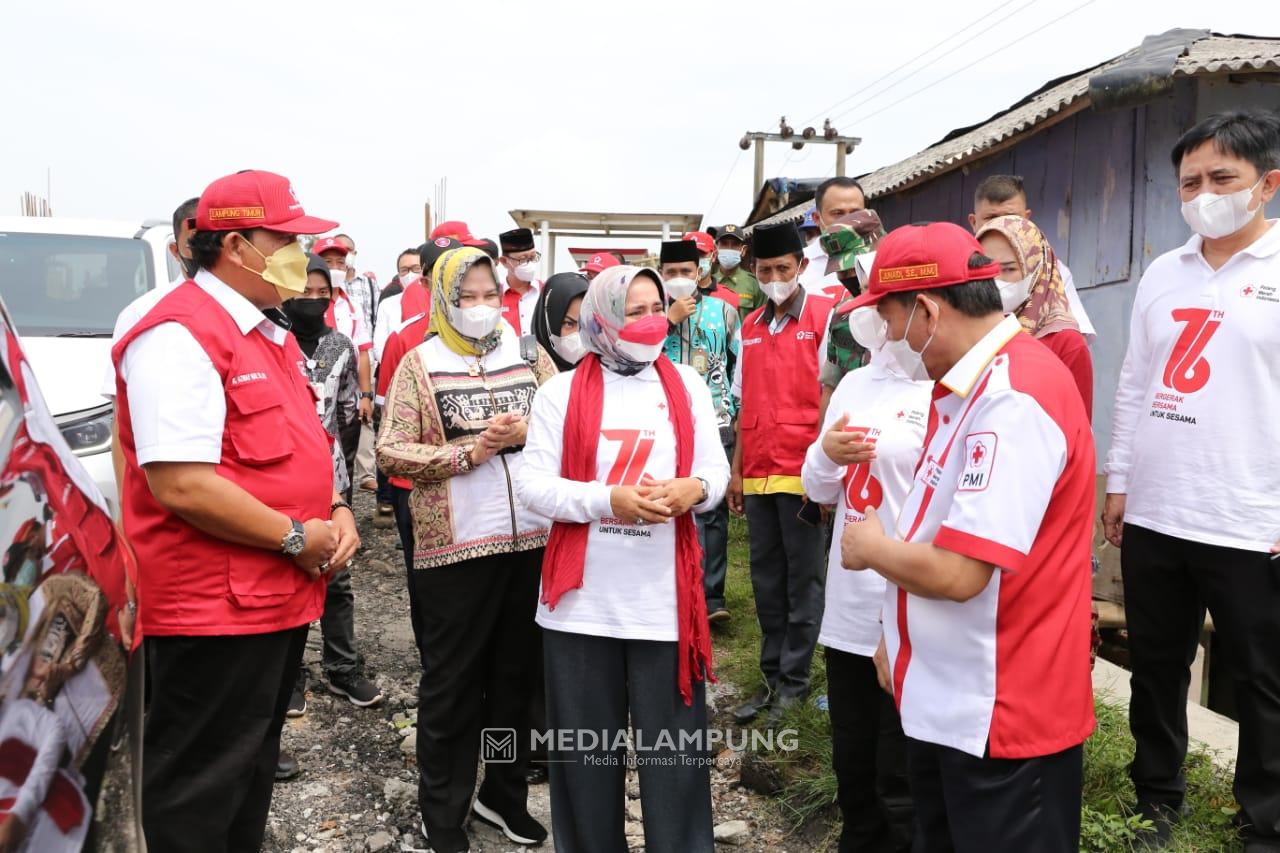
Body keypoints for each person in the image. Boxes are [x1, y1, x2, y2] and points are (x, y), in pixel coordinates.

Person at [111, 169, 359, 852]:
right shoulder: (181, 333)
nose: (299, 257)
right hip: (213, 608)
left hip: (271, 595)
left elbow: (299, 443)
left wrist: (337, 506)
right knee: (199, 789)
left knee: (247, 773)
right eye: (284, 239)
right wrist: (291, 537)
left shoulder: (264, 330)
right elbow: (182, 483)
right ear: (235, 246)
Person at [840, 221, 1096, 852]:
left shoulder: (1014, 398)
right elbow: (936, 525)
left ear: (926, 309)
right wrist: (894, 636)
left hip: (1003, 711)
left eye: (890, 322)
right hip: (951, 699)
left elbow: (960, 572)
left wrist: (868, 549)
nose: (890, 343)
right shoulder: (964, 389)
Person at [1102, 109, 1280, 850]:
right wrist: (1120, 480)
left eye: (1222, 178)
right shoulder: (1163, 271)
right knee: (1157, 666)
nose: (1203, 193)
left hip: (1250, 515)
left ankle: (1263, 822)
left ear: (1267, 184)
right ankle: (1157, 801)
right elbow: (1136, 381)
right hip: (1157, 509)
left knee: (1265, 682)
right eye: (1190, 181)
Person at [515, 265, 729, 853]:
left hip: (665, 605)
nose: (651, 319)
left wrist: (694, 491)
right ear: (602, 317)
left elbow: (715, 471)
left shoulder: (685, 383)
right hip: (582, 608)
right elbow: (531, 488)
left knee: (677, 768)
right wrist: (606, 500)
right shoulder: (560, 392)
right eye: (634, 311)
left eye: (656, 306)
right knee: (585, 768)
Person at [377, 246, 555, 853]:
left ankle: (502, 793)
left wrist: (529, 431)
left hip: (530, 541)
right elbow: (390, 449)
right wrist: (468, 453)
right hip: (454, 551)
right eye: (467, 297)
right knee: (452, 683)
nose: (482, 308)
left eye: (490, 295)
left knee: (514, 679)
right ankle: (443, 808)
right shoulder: (420, 364)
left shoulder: (529, 355)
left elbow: (565, 419)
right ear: (443, 300)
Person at [801, 302, 927, 853]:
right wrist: (825, 454)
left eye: (895, 311)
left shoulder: (947, 388)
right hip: (851, 604)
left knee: (899, 771)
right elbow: (820, 489)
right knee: (852, 762)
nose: (885, 323)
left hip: (912, 605)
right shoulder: (856, 382)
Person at [728, 222, 834, 725]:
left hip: (803, 471)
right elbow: (743, 402)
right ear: (753, 271)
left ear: (801, 267)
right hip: (758, 473)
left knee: (803, 583)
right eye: (765, 270)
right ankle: (771, 680)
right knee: (766, 582)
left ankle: (794, 683)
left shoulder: (825, 317)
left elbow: (834, 401)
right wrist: (736, 472)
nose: (774, 278)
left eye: (782, 269)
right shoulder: (747, 328)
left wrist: (826, 476)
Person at [283, 254, 383, 715]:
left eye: (322, 293)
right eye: (304, 292)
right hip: (282, 477)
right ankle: (291, 677)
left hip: (331, 478)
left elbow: (347, 414)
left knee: (337, 577)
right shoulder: (272, 340)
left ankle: (342, 668)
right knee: (288, 572)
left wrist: (334, 470)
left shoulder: (341, 345)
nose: (312, 300)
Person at [659, 239, 740, 625]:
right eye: (671, 273)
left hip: (717, 420)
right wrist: (668, 319)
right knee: (670, 502)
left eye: (686, 273)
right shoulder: (651, 315)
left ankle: (711, 597)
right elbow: (634, 352)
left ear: (701, 271)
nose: (679, 279)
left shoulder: (723, 312)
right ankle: (674, 589)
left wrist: (736, 413)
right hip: (666, 422)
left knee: (712, 509)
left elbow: (738, 365)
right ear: (660, 274)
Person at [977, 215, 1094, 418]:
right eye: (988, 268)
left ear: (1036, 269)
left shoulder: (1066, 343)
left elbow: (1078, 428)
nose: (996, 280)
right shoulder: (971, 332)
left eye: (1009, 269)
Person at [968, 175, 1096, 338]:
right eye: (991, 218)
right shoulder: (957, 271)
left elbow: (1075, 340)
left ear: (1027, 219)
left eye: (1012, 218)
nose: (1001, 226)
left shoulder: (1050, 272)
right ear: (973, 222)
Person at [313, 236, 377, 489]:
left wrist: (366, 395)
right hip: (317, 392)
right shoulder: (306, 303)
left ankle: (344, 510)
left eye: (340, 262)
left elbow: (363, 352)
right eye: (327, 262)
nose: (335, 268)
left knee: (346, 457)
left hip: (348, 394)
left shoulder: (353, 306)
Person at [816, 210, 886, 425]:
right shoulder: (842, 316)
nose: (848, 277)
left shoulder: (912, 311)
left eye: (852, 267)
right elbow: (830, 388)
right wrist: (820, 449)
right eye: (840, 271)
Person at [801, 177, 868, 299]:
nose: (848, 221)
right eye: (838, 213)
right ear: (817, 218)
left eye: (855, 212)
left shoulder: (881, 258)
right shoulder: (796, 266)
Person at [531, 271, 591, 372]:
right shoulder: (525, 370)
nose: (578, 335)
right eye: (569, 324)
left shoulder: (605, 372)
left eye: (585, 324)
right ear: (547, 323)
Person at [373, 248, 424, 363]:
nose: (410, 274)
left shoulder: (433, 302)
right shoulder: (387, 304)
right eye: (404, 270)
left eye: (416, 269)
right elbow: (379, 346)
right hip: (393, 368)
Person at [713, 223, 764, 321]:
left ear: (743, 250)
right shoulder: (708, 282)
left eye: (735, 244)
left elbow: (761, 322)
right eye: (724, 244)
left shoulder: (754, 284)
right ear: (716, 249)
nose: (729, 248)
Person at [497, 228, 543, 336]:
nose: (529, 264)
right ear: (504, 262)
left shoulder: (546, 292)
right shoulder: (493, 295)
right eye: (523, 259)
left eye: (532, 257)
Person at [683, 230, 740, 310]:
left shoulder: (730, 297)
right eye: (689, 255)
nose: (695, 260)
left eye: (701, 254)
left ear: (713, 256)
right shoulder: (671, 296)